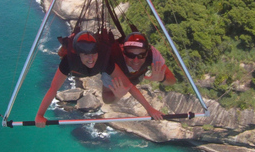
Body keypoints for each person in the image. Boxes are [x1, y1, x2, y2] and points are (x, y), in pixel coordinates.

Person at [35, 30, 163, 127]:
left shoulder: (104, 61)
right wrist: (40, 115)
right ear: (79, 54)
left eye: (93, 54)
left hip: (99, 66)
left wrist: (149, 108)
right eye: (86, 55)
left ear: (98, 52)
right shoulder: (69, 62)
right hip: (78, 69)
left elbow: (129, 85)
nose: (91, 59)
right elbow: (53, 89)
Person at [102, 32, 176, 104]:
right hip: (122, 80)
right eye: (131, 55)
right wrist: (117, 96)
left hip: (135, 79)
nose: (136, 60)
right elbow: (106, 99)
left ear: (146, 53)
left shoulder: (152, 53)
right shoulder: (113, 61)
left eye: (141, 55)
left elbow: (172, 80)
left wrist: (162, 78)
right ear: (124, 53)